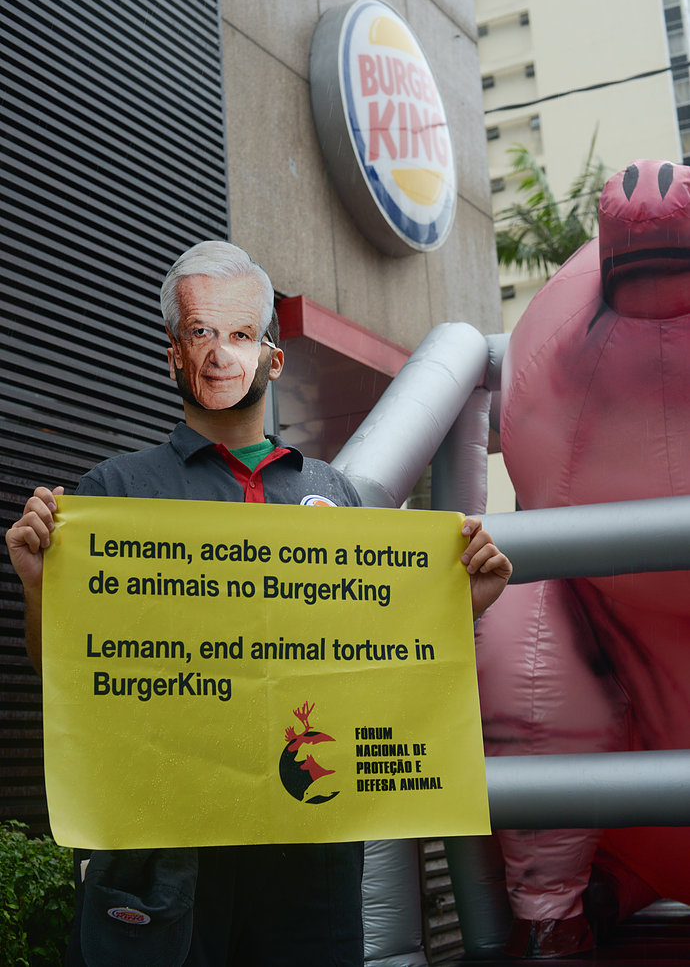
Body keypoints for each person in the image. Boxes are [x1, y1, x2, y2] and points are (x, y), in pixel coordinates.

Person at [6, 240, 512, 967]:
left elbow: (373, 661)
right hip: (164, 854)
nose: (220, 352)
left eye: (241, 332)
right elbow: (71, 671)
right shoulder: (111, 496)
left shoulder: (335, 495)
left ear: (273, 358)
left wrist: (461, 608)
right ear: (174, 357)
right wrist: (37, 587)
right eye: (200, 332)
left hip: (309, 858)